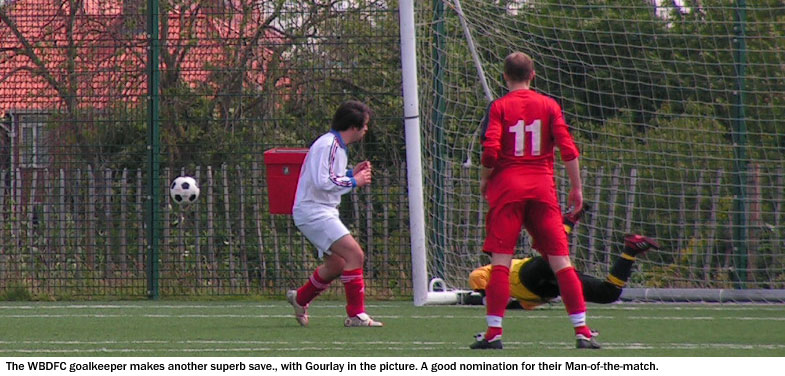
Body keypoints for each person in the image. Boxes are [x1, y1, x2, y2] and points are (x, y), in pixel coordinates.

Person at [472, 51, 593, 349]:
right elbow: (568, 149)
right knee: (561, 261)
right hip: (542, 188)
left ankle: (494, 333)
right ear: (533, 75)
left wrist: (485, 178)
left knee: (501, 261)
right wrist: (577, 188)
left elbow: (490, 150)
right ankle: (582, 331)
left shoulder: (499, 107)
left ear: (505, 76)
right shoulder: (549, 105)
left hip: (508, 189)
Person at [286, 100, 382, 328]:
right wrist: (354, 181)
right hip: (314, 211)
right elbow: (323, 182)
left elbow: (328, 177)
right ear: (354, 127)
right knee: (355, 255)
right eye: (365, 125)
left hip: (322, 210)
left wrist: (350, 173)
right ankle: (356, 315)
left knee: (337, 264)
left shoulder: (336, 146)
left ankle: (300, 299)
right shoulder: (327, 145)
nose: (366, 129)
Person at [468, 233, 660, 310]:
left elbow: (476, 276)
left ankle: (567, 222)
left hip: (528, 273)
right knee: (608, 293)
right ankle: (630, 250)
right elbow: (519, 305)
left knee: (550, 257)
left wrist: (486, 297)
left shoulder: (490, 271)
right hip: (550, 288)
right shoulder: (524, 300)